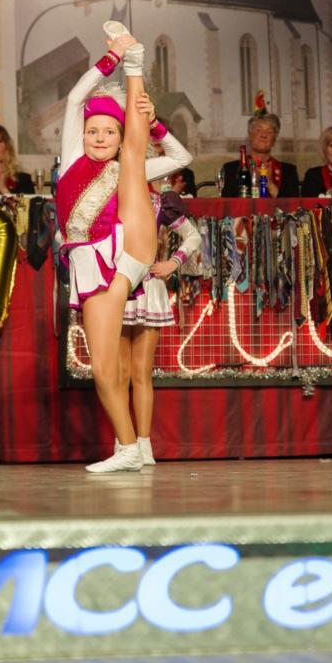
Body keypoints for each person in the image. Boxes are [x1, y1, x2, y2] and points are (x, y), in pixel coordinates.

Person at [56, 28, 191, 473]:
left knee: (133, 162)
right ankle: (128, 444)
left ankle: (136, 66)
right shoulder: (72, 160)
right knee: (104, 370)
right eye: (92, 131)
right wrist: (107, 60)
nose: (99, 138)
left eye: (109, 131)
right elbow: (75, 97)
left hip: (126, 251)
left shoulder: (124, 164)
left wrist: (152, 123)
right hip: (98, 271)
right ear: (82, 135)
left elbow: (179, 159)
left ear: (118, 135)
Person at [115, 187, 201, 465]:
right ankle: (123, 443)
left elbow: (194, 236)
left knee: (141, 371)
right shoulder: (106, 196)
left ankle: (143, 445)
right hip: (115, 286)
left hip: (148, 286)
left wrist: (173, 263)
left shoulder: (161, 202)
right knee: (119, 372)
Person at [221, 91, 299, 198]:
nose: (264, 135)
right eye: (258, 130)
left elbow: (293, 205)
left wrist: (270, 185)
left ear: (275, 138)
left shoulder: (288, 171)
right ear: (250, 135)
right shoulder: (231, 169)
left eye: (269, 132)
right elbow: (227, 204)